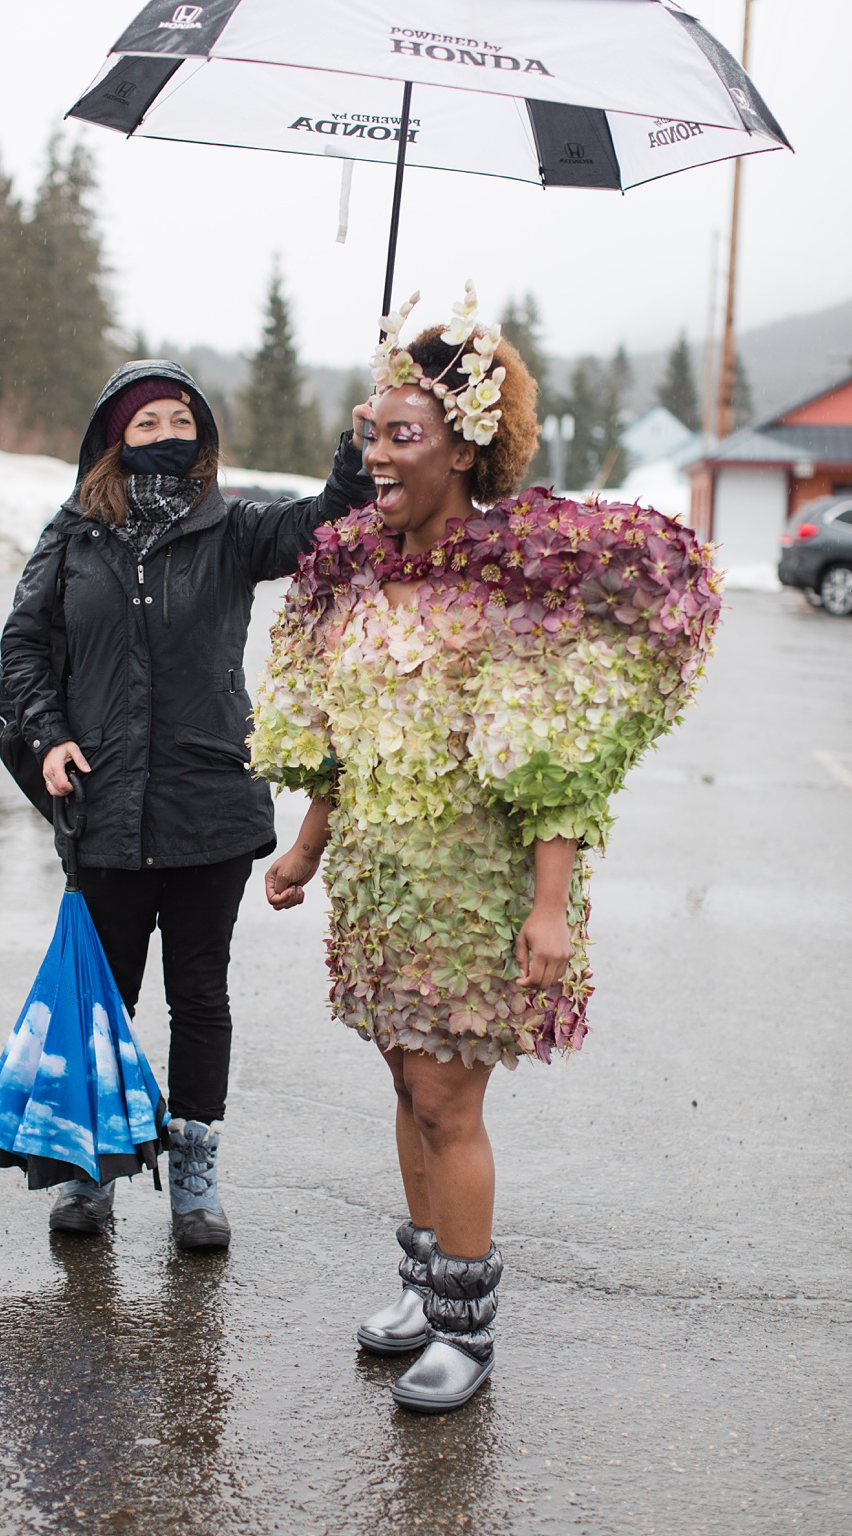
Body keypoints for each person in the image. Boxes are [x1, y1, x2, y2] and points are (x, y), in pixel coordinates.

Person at [249, 284, 721, 1412]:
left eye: (400, 436)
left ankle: (467, 1332)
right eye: (369, 432)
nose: (375, 456)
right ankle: (423, 1287)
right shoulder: (353, 566)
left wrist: (548, 909)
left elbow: (549, 754)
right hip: (379, 886)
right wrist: (309, 847)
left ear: (461, 448)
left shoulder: (519, 582)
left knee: (447, 1103)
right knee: (406, 1089)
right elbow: (342, 737)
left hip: (472, 888)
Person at [0, 359, 369, 1248]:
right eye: (146, 424)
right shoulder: (73, 537)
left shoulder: (233, 529)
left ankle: (194, 1167)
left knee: (200, 995)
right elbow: (23, 650)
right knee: (106, 998)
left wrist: (356, 458)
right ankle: (93, 1166)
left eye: (181, 420)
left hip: (208, 802)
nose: (168, 435)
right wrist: (50, 736)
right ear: (112, 443)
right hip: (105, 806)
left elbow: (324, 527)